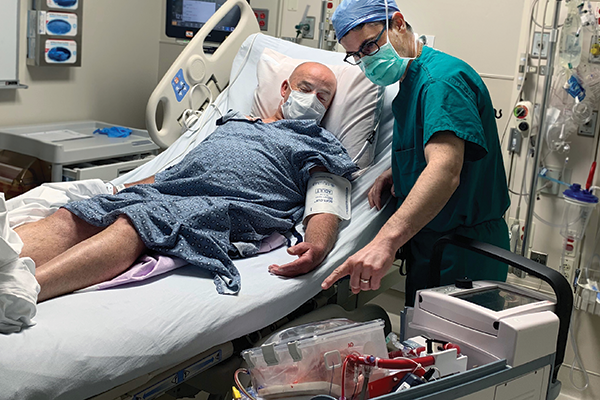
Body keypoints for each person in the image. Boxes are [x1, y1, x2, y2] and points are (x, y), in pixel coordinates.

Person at [14, 62, 357, 303]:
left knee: (135, 224)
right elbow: (179, 167)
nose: (312, 99)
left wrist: (317, 245)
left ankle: (22, 291)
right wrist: (126, 188)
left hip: (231, 206)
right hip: (172, 188)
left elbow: (325, 198)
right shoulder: (236, 122)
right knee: (76, 214)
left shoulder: (320, 142)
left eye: (323, 96)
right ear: (285, 89)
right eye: (305, 88)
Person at [322, 0, 510, 306]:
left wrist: (385, 241)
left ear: (397, 24)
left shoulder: (440, 82)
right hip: (432, 244)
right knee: (423, 349)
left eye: (369, 46)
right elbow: (432, 150)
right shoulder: (410, 81)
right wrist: (399, 170)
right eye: (355, 55)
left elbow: (446, 171)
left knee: (459, 350)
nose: (365, 60)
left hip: (464, 253)